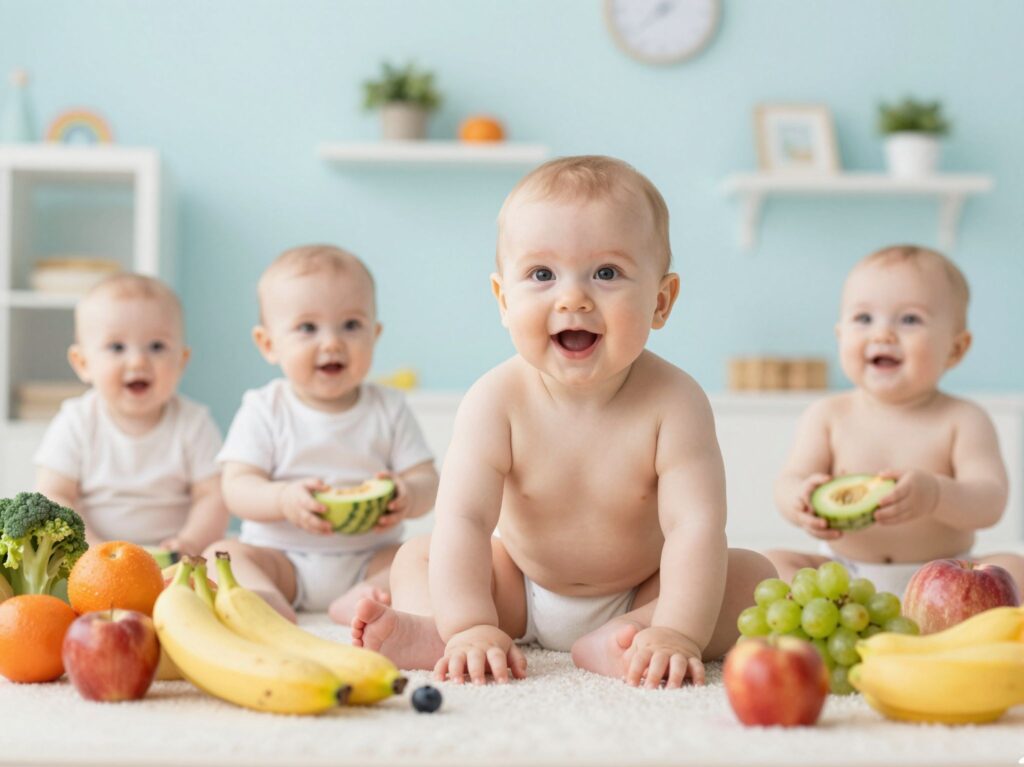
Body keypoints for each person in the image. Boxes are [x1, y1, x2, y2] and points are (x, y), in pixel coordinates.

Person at [351, 156, 775, 688]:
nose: (572, 297)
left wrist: (678, 631)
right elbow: (465, 520)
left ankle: (633, 637)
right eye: (542, 275)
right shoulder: (494, 400)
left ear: (661, 302)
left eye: (606, 273)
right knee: (420, 556)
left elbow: (694, 528)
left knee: (753, 577)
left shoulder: (676, 402)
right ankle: (450, 636)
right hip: (518, 589)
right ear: (504, 301)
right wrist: (470, 621)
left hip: (646, 590)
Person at [766, 245, 1023, 595]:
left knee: (1013, 568)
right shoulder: (828, 415)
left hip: (946, 577)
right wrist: (800, 499)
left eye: (910, 319)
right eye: (864, 318)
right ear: (841, 336)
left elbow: (990, 502)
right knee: (772, 564)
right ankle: (844, 622)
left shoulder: (963, 419)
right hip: (844, 575)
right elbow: (790, 479)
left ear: (956, 348)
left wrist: (935, 494)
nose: (882, 334)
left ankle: (940, 624)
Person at [205, 245, 438, 621]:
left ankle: (366, 597)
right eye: (307, 328)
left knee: (429, 552)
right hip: (281, 559)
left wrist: (409, 494)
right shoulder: (265, 407)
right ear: (269, 344)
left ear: (374, 335)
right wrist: (281, 499)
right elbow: (235, 488)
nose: (331, 342)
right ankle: (263, 600)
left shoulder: (389, 407)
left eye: (351, 325)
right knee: (222, 554)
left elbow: (427, 479)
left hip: (370, 558)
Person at [35, 274, 228, 555]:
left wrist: (191, 542)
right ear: (83, 363)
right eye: (117, 347)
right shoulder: (76, 421)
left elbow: (214, 495)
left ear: (181, 361)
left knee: (227, 552)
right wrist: (91, 546)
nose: (138, 360)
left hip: (173, 559)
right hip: (92, 558)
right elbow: (54, 493)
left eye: (157, 346)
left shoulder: (193, 423)